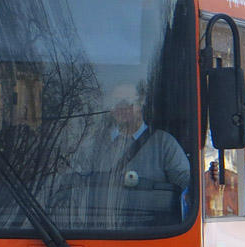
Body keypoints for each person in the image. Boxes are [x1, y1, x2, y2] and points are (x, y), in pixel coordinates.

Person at [70, 83, 190, 223]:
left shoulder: (164, 143)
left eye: (128, 102)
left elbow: (185, 181)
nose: (122, 107)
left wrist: (206, 182)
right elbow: (75, 183)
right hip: (98, 230)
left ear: (141, 105)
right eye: (116, 102)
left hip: (151, 232)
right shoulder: (94, 144)